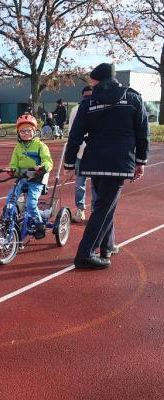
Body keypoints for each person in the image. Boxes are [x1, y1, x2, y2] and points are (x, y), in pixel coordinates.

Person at [64, 63, 149, 269]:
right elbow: (142, 133)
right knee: (103, 208)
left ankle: (107, 246)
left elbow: (74, 136)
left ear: (97, 79)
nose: (91, 84)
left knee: (104, 205)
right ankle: (85, 254)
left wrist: (69, 163)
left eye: (92, 80)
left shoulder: (88, 102)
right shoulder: (134, 98)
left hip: (94, 161)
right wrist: (140, 161)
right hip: (120, 162)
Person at [3, 114, 54, 239]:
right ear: (18, 133)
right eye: (22, 131)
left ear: (34, 131)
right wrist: (12, 170)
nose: (25, 133)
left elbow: (48, 161)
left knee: (31, 204)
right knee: (10, 199)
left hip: (36, 179)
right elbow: (14, 164)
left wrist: (42, 167)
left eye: (28, 130)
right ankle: (8, 219)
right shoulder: (17, 148)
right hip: (22, 178)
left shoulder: (41, 146)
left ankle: (39, 224)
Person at [67, 85, 96, 222]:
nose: (89, 99)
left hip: (97, 153)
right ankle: (80, 209)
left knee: (97, 184)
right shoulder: (75, 110)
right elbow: (72, 133)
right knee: (80, 183)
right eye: (86, 96)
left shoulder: (102, 108)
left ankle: (96, 212)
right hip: (80, 153)